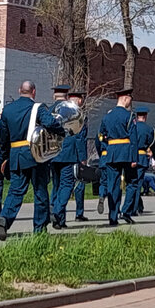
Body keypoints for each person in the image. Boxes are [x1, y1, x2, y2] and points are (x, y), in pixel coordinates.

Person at [0, 80, 64, 240]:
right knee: (40, 191)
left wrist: (5, 156)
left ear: (20, 90)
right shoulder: (37, 108)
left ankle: (4, 219)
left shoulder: (8, 110)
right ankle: (39, 228)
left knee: (16, 190)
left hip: (16, 155)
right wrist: (61, 132)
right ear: (34, 92)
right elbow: (50, 123)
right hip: (35, 154)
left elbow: (3, 137)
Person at [50, 84, 87, 230]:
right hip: (69, 153)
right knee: (67, 185)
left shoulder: (49, 110)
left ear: (54, 96)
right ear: (66, 96)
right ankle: (57, 211)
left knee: (56, 185)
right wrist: (82, 157)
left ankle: (59, 220)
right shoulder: (73, 111)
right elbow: (79, 136)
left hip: (52, 153)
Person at [99, 85, 137, 226]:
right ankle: (126, 211)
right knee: (132, 182)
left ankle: (113, 216)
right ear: (125, 99)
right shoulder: (129, 116)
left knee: (113, 185)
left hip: (111, 153)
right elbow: (133, 138)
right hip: (126, 153)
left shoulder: (107, 116)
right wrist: (134, 158)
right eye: (130, 99)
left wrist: (105, 149)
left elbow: (101, 136)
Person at [128, 105, 155, 216]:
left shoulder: (132, 127)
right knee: (138, 184)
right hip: (142, 157)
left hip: (131, 157)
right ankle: (134, 208)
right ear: (145, 116)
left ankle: (130, 206)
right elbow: (151, 143)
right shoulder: (149, 129)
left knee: (131, 183)